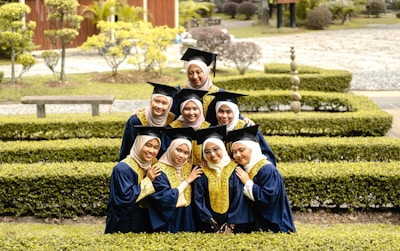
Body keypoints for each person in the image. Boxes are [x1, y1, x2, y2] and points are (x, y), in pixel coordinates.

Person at [226, 125, 296, 233]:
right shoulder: (245, 168)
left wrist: (247, 182)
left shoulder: (267, 170)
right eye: (234, 152)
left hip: (273, 226)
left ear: (253, 149)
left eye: (241, 150)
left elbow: (268, 198)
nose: (237, 155)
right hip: (256, 224)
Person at [192, 125, 253, 233]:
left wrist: (231, 223)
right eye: (207, 152)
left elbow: (239, 198)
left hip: (234, 226)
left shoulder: (236, 169)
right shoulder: (201, 172)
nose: (212, 154)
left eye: (216, 149)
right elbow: (198, 199)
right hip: (208, 227)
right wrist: (210, 221)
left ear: (223, 148)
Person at [105, 126, 164, 234]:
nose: (151, 151)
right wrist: (148, 180)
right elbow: (124, 199)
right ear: (138, 144)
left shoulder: (155, 165)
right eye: (148, 145)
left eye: (156, 147)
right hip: (126, 222)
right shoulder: (122, 169)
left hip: (146, 220)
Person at [147, 127, 203, 233]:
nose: (181, 155)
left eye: (186, 153)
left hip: (187, 216)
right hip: (170, 217)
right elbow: (165, 198)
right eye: (178, 150)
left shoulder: (189, 166)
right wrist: (187, 181)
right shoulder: (158, 169)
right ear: (171, 148)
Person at [209, 91, 277, 166]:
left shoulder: (247, 128)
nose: (224, 116)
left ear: (235, 112)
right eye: (221, 111)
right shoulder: (211, 131)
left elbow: (266, 156)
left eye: (229, 112)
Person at [119, 82, 177, 161]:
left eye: (164, 103)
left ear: (170, 105)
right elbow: (127, 149)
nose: (159, 106)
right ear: (151, 101)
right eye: (156, 101)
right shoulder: (136, 121)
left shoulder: (172, 121)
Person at [172, 47, 222, 124]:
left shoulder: (218, 94)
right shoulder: (178, 91)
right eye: (190, 73)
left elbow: (230, 112)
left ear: (206, 72)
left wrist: (242, 119)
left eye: (199, 72)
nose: (195, 76)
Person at [166, 88, 210, 166]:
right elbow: (165, 152)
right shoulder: (172, 128)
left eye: (195, 109)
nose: (191, 113)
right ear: (181, 110)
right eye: (186, 109)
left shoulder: (209, 129)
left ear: (200, 109)